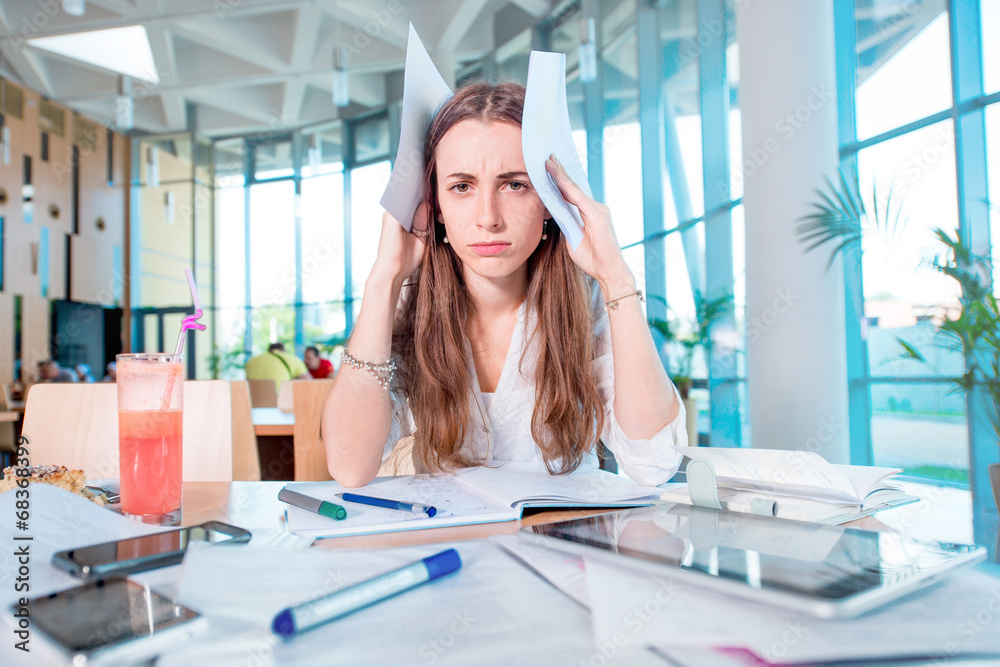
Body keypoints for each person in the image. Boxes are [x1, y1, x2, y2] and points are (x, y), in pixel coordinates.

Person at [323, 81, 686, 489]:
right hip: (453, 547)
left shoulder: (586, 299)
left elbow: (654, 462)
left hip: (565, 544)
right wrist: (384, 278)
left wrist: (617, 279)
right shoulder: (412, 304)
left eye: (514, 184)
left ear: (550, 200)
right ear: (435, 206)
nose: (488, 218)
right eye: (462, 186)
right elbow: (350, 466)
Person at [244, 342, 311, 393]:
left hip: (254, 404)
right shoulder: (292, 359)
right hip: (281, 405)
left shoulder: (251, 361)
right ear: (283, 350)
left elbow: (246, 383)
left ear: (269, 350)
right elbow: (310, 383)